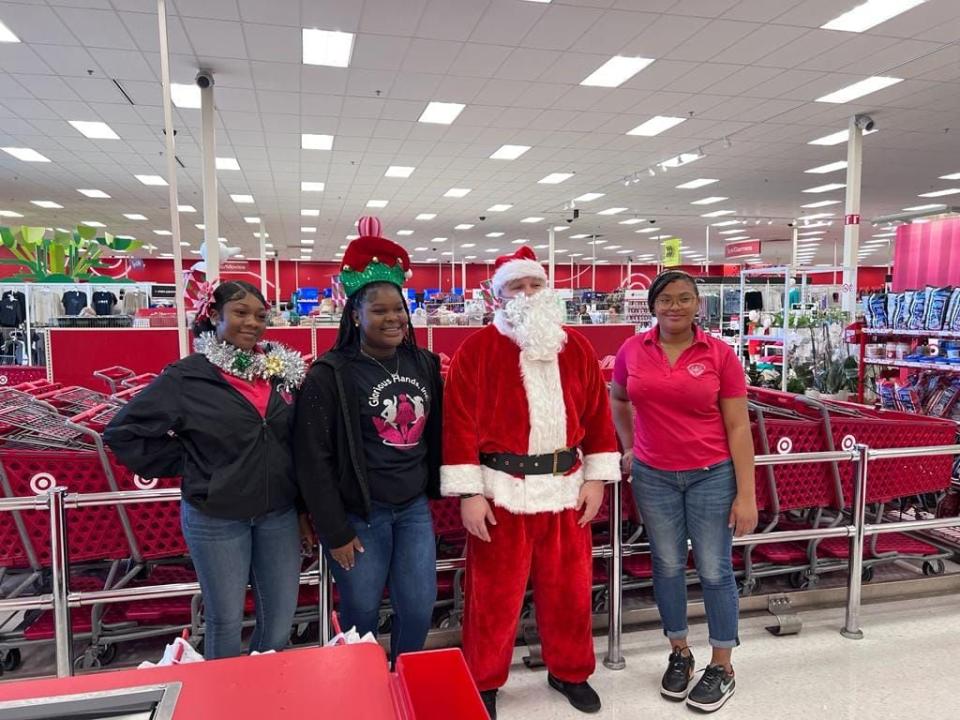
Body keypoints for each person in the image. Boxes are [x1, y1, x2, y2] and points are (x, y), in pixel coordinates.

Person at [441, 246, 620, 719]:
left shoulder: (576, 347)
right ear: (499, 298)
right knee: (493, 598)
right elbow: (457, 426)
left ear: (548, 290)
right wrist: (469, 492)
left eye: (533, 285)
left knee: (570, 592)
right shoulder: (476, 351)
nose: (526, 294)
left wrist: (598, 479)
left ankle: (570, 671)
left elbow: (599, 417)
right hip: (502, 493)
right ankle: (483, 680)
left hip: (566, 490)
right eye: (515, 287)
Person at [104, 281, 308, 659]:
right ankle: (223, 701)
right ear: (214, 316)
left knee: (280, 618)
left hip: (277, 514)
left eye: (260, 316)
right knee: (225, 620)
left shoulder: (279, 370)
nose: (252, 323)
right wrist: (190, 462)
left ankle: (262, 691)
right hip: (216, 517)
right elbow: (122, 432)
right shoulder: (187, 377)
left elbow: (296, 438)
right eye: (240, 313)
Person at [293, 217, 443, 662]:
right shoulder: (330, 374)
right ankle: (363, 691)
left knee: (418, 604)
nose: (393, 317)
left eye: (398, 308)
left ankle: (405, 679)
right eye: (379, 310)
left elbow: (438, 431)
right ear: (355, 314)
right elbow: (312, 458)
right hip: (359, 516)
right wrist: (334, 529)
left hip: (413, 507)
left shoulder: (424, 364)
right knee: (359, 611)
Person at [610, 269, 757, 713]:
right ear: (653, 305)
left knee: (714, 569)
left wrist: (746, 494)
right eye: (666, 299)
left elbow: (738, 425)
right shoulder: (632, 350)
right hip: (654, 476)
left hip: (712, 475)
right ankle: (679, 652)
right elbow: (618, 398)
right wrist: (631, 445)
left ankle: (722, 666)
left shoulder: (720, 354)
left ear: (698, 304)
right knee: (668, 565)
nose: (675, 306)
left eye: (685, 299)